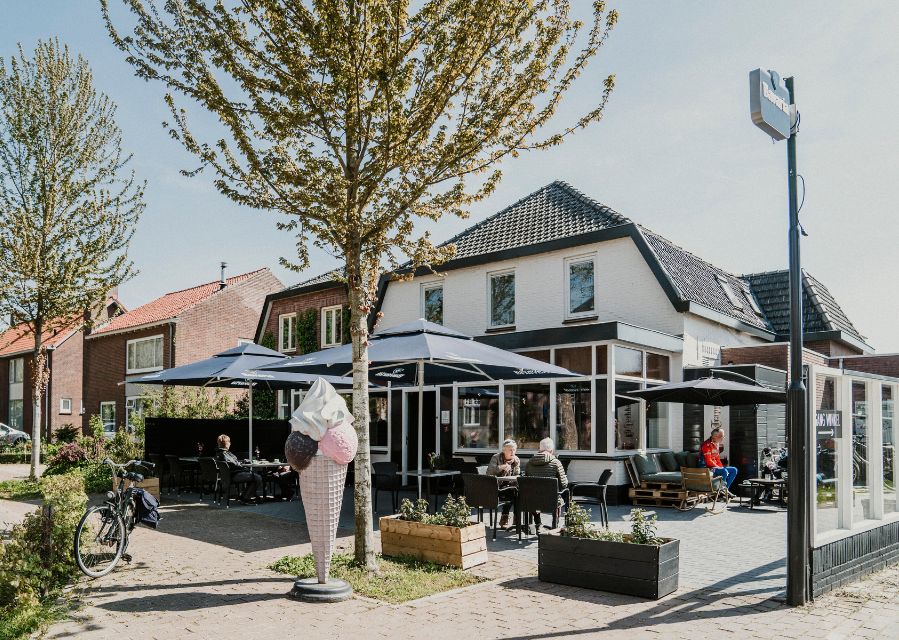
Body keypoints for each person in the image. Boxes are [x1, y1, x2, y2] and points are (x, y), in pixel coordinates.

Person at [524, 437, 568, 531]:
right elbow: (564, 484)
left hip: (532, 500)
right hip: (551, 500)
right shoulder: (556, 462)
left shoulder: (529, 463)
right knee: (558, 498)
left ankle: (538, 523)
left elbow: (526, 482)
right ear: (551, 450)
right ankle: (554, 526)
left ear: (539, 449)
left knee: (534, 494)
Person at [215, 434, 264, 504]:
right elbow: (234, 465)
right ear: (225, 443)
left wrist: (242, 462)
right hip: (234, 475)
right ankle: (246, 498)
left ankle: (244, 496)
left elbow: (232, 463)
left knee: (253, 476)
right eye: (229, 442)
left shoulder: (219, 453)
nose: (230, 443)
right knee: (258, 477)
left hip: (228, 476)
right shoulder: (224, 454)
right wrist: (245, 468)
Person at [487, 439, 520, 529]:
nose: (512, 452)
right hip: (496, 487)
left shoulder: (516, 460)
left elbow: (517, 475)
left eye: (514, 450)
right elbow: (489, 472)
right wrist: (501, 467)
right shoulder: (496, 457)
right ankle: (507, 518)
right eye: (510, 450)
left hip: (509, 486)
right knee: (513, 493)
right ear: (504, 450)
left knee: (518, 492)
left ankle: (514, 518)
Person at [701, 427, 738, 497]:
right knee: (724, 471)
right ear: (715, 436)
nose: (723, 438)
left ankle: (724, 490)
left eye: (723, 436)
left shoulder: (716, 444)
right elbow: (708, 461)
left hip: (714, 467)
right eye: (721, 436)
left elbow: (717, 459)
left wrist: (721, 467)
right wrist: (721, 469)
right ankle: (721, 491)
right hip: (706, 468)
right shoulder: (706, 445)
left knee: (734, 470)